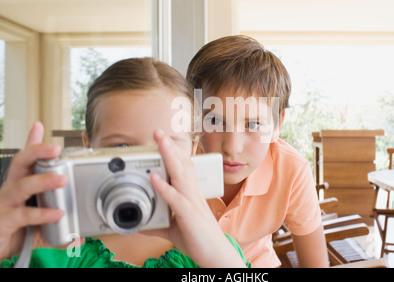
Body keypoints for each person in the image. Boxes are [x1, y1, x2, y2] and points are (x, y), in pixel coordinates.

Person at [0, 57, 248, 268]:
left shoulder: (216, 250)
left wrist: (219, 260)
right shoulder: (51, 249)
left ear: (192, 151)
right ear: (89, 148)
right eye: (122, 148)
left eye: (166, 148)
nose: (141, 172)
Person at [186, 35, 329, 268]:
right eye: (214, 120)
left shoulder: (291, 170)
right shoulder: (175, 161)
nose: (232, 147)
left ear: (277, 124)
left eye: (252, 125)